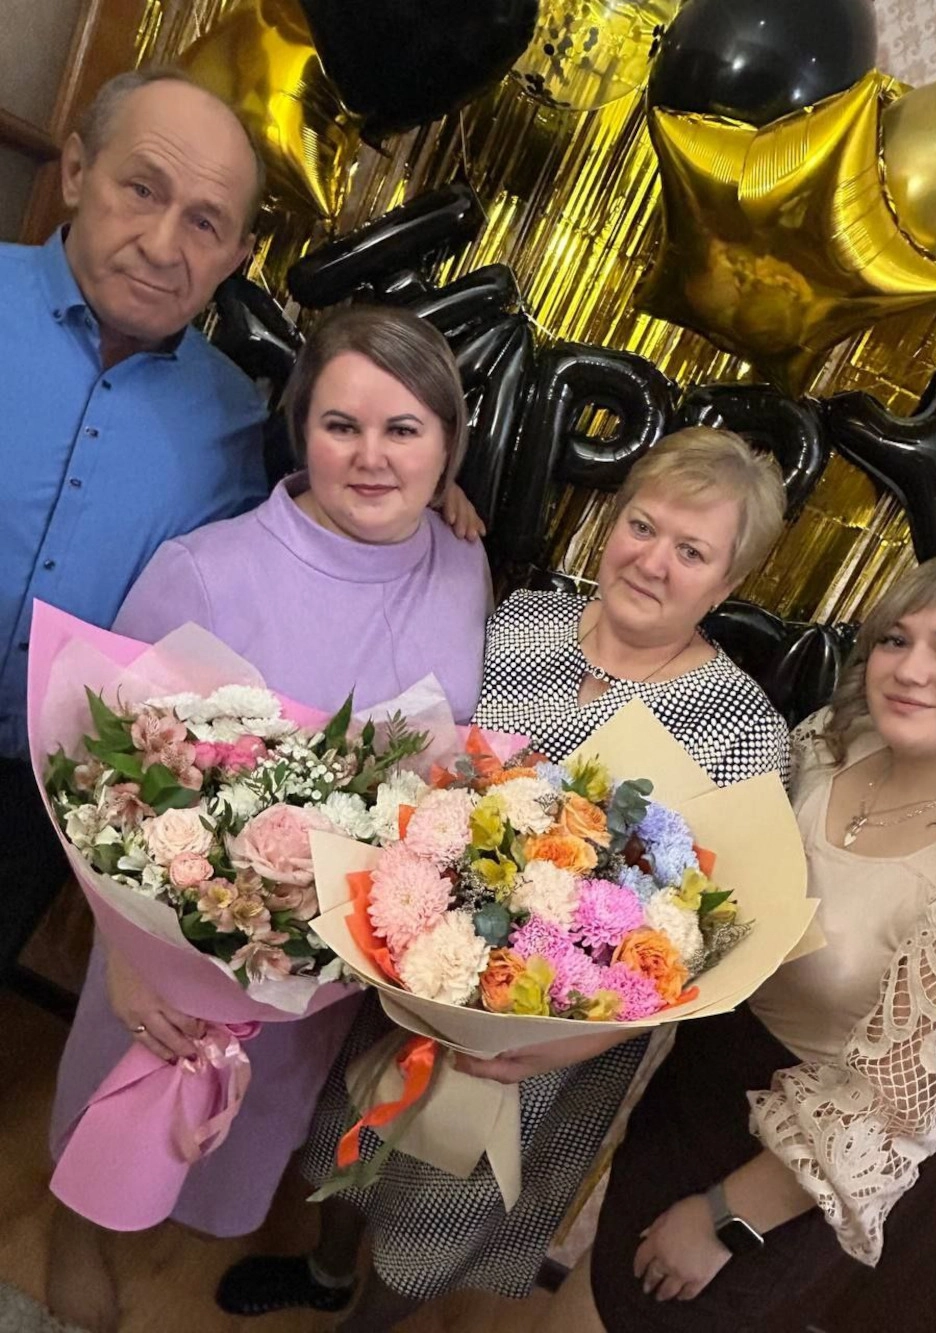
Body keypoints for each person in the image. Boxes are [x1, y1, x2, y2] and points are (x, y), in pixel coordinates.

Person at [218, 427, 791, 1329]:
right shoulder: (522, 621)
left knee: (441, 1208)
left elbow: (712, 937)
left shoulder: (744, 729)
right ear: (612, 519)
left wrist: (563, 1042)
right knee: (354, 1135)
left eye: (692, 552)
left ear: (728, 583)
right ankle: (325, 1270)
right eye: (642, 526)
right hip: (421, 964)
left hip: (561, 1034)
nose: (652, 562)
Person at [46, 303, 492, 1333]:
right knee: (116, 1105)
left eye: (403, 429)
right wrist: (127, 957)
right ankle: (72, 1231)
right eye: (341, 425)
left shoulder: (465, 563)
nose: (371, 456)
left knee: (235, 1137)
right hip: (169, 939)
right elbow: (90, 775)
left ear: (448, 446)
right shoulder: (206, 569)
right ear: (300, 431)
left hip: (323, 964)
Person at [0, 67, 482, 982]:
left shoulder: (231, 414)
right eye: (142, 190)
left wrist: (440, 494)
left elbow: (314, 524)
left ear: (236, 253)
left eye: (204, 222)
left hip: (41, 798)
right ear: (76, 171)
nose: (161, 243)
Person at [554, 550, 936, 1332]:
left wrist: (727, 1217)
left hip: (783, 1167)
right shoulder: (834, 741)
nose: (909, 668)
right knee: (597, 1288)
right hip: (695, 1077)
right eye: (896, 639)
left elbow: (886, 1113)